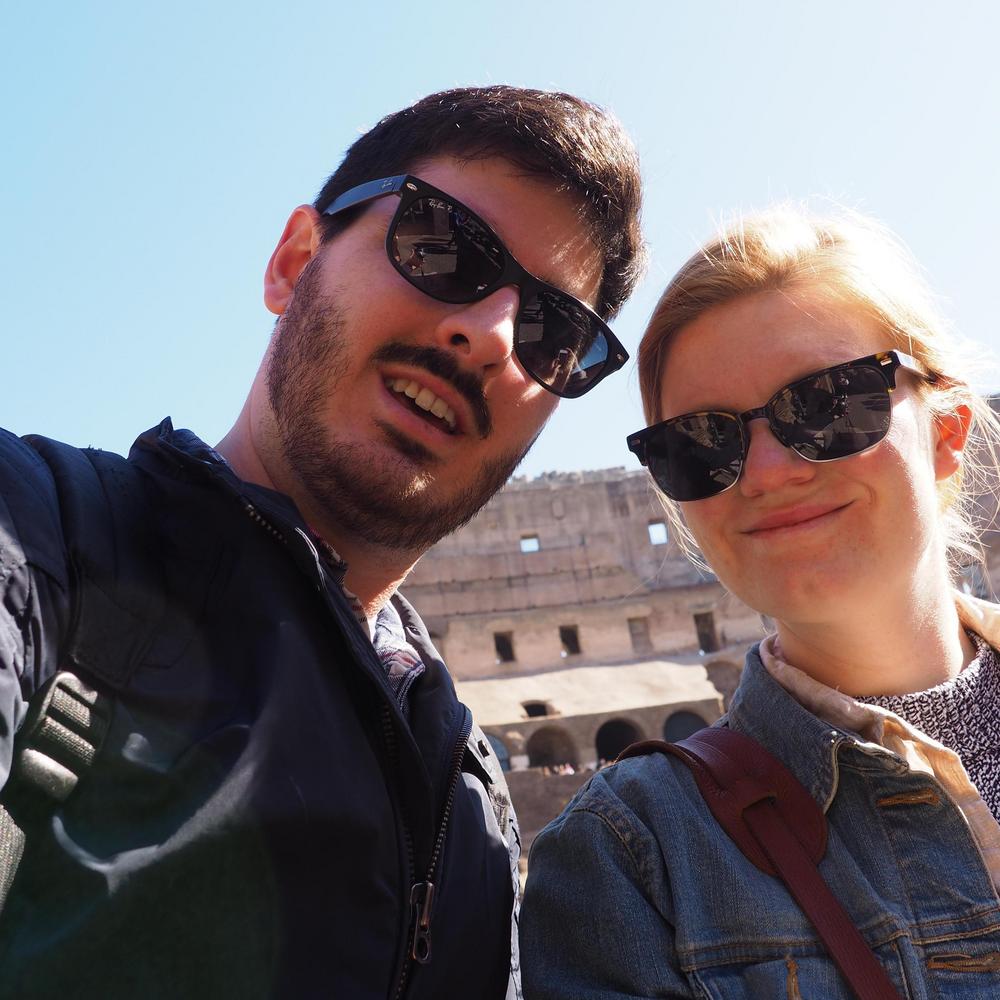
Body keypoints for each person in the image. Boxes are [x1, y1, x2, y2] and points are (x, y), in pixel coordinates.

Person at [0, 86, 645, 999]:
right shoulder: (38, 532)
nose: (492, 336)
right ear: (294, 262)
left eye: (552, 333)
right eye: (444, 248)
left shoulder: (475, 797)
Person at [520, 207, 1000, 998]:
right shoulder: (633, 856)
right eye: (702, 445)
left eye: (828, 404)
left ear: (947, 434)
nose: (768, 473)